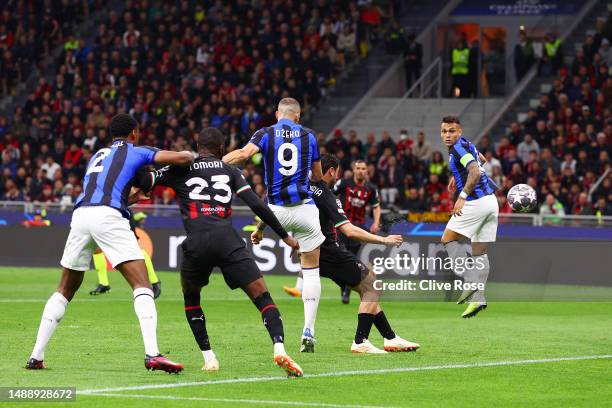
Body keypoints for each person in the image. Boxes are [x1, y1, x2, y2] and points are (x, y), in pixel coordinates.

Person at [26, 114, 193, 372]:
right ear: (134, 133)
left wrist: (135, 195)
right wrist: (196, 157)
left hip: (81, 216)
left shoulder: (98, 156)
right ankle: (152, 354)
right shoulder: (137, 151)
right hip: (108, 216)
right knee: (142, 284)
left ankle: (36, 356)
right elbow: (182, 158)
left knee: (64, 289)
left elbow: (109, 191)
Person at [140, 127, 303, 376]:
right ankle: (279, 347)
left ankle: (209, 358)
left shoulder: (181, 168)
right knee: (261, 295)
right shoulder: (231, 170)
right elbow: (258, 204)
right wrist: (285, 237)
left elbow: (146, 181)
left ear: (198, 147)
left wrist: (126, 195)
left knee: (191, 298)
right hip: (227, 240)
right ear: (221, 148)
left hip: (196, 242)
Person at [253, 154, 419, 353]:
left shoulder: (300, 185)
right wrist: (384, 240)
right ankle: (361, 341)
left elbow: (273, 208)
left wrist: (260, 229)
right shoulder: (326, 195)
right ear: (332, 171)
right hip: (330, 250)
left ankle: (390, 337)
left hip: (310, 251)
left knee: (366, 288)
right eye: (338, 171)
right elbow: (349, 230)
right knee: (372, 286)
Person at [222, 97, 325, 353]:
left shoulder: (266, 133)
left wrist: (218, 162)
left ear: (278, 114)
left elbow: (244, 155)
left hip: (276, 209)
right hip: (305, 209)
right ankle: (308, 331)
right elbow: (319, 176)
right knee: (311, 270)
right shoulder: (309, 136)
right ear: (298, 116)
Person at [439, 116, 499, 318]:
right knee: (479, 252)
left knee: (448, 238)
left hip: (476, 202)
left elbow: (474, 171)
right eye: (444, 131)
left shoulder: (458, 148)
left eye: (452, 131)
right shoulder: (467, 145)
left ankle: (471, 282)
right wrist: (455, 177)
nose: (448, 135)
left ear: (459, 132)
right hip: (491, 202)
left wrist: (462, 196)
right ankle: (478, 298)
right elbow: (480, 160)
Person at [89, 211, 162, 298]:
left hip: (119, 215)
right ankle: (104, 284)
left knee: (135, 247)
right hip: (103, 216)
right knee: (97, 250)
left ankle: (155, 282)